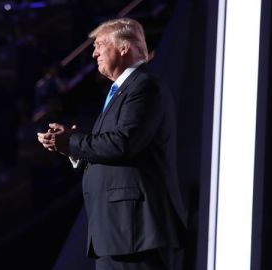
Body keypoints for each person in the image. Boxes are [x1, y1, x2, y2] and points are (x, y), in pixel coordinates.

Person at [37, 17, 187, 270]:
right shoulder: (121, 92)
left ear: (124, 47)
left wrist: (72, 142)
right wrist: (69, 145)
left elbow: (122, 144)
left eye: (99, 44)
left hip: (136, 233)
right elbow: (111, 146)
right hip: (118, 234)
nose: (94, 53)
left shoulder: (144, 87)